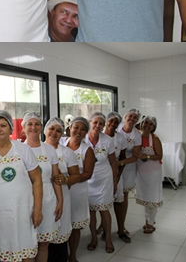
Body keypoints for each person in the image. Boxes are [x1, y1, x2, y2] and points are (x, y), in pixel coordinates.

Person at [0, 110, 43, 262]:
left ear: (11, 128)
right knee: (2, 251)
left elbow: (37, 180)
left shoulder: (23, 150)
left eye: (3, 125)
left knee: (25, 249)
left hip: (23, 210)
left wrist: (37, 209)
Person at [21, 112, 63, 261]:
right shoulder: (17, 150)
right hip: (25, 201)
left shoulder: (49, 150)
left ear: (41, 127)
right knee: (27, 244)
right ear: (23, 128)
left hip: (47, 199)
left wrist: (60, 202)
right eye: (29, 124)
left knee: (43, 244)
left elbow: (55, 178)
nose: (33, 127)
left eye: (37, 124)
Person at [44, 117, 81, 261]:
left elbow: (76, 176)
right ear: (45, 130)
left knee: (60, 234)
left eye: (58, 130)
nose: (54, 133)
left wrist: (64, 179)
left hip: (62, 196)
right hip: (42, 196)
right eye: (51, 129)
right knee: (43, 235)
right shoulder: (35, 149)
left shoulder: (67, 153)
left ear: (62, 134)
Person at [84, 112, 117, 253]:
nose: (97, 126)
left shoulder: (107, 140)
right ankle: (93, 238)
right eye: (95, 122)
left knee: (104, 210)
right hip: (88, 179)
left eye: (101, 123)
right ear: (90, 122)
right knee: (91, 211)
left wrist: (115, 181)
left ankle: (108, 239)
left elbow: (114, 162)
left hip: (104, 178)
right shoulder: (83, 138)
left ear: (104, 126)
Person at [65, 117, 94, 262]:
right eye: (76, 127)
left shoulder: (87, 150)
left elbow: (88, 173)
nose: (78, 131)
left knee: (75, 224)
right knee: (62, 221)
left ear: (86, 133)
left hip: (78, 190)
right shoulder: (60, 144)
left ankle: (73, 254)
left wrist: (71, 180)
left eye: (83, 129)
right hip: (62, 189)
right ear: (69, 128)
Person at [102, 112, 131, 243]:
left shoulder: (120, 138)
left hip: (117, 174)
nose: (113, 124)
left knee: (119, 202)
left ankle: (121, 229)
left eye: (116, 122)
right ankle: (105, 231)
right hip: (101, 175)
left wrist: (117, 176)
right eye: (111, 121)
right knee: (102, 204)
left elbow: (123, 158)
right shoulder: (99, 136)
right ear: (106, 121)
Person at [115, 109, 142, 243]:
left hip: (128, 167)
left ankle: (122, 226)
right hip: (113, 166)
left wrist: (120, 162)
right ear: (125, 117)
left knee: (123, 196)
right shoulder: (117, 129)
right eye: (130, 116)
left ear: (137, 121)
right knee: (110, 195)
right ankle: (103, 225)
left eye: (135, 117)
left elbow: (136, 156)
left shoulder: (136, 135)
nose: (132, 119)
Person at [136, 116, 163, 234]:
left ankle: (150, 222)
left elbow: (159, 156)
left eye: (150, 124)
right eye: (146, 122)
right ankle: (148, 220)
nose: (147, 125)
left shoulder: (155, 139)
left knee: (152, 198)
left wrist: (145, 156)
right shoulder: (137, 137)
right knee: (145, 197)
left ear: (154, 127)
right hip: (141, 173)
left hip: (153, 173)